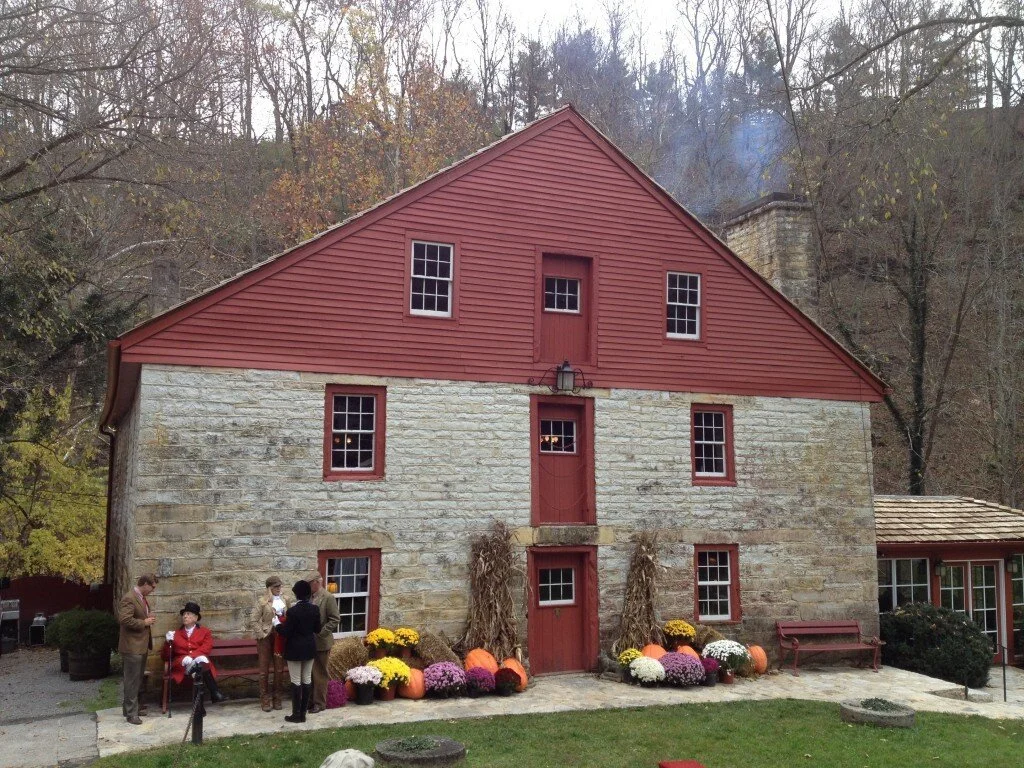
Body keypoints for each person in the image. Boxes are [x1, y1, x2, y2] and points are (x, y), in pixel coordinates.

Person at [275, 579, 320, 723]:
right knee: (306, 679)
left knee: (296, 681)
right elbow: (317, 629)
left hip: (295, 650)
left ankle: (296, 715)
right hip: (309, 648)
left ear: (297, 595)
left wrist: (276, 624)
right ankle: (303, 714)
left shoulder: (293, 611)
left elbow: (286, 632)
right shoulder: (315, 609)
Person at [164, 601, 228, 704]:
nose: (185, 616)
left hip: (199, 662)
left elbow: (206, 648)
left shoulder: (205, 632)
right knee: (192, 663)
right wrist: (168, 643)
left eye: (188, 614)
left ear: (196, 618)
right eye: (184, 614)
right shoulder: (175, 634)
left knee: (201, 661)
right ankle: (214, 693)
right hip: (181, 665)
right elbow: (166, 656)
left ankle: (201, 701)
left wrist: (193, 656)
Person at [117, 573, 158, 725]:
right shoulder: (129, 597)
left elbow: (138, 616)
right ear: (145, 584)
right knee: (131, 680)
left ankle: (131, 708)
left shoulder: (142, 598)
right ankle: (131, 713)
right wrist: (144, 622)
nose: (153, 590)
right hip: (131, 646)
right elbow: (124, 619)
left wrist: (148, 617)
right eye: (152, 587)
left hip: (140, 645)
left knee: (137, 679)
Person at [248, 575, 291, 711]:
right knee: (264, 670)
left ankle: (277, 698)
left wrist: (286, 630)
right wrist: (261, 634)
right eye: (275, 587)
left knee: (279, 669)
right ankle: (264, 699)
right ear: (269, 588)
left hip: (280, 636)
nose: (278, 589)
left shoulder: (286, 600)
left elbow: (289, 617)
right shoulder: (262, 602)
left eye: (279, 586)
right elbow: (253, 620)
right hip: (266, 637)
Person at [306, 569, 340, 714]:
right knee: (310, 673)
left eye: (309, 583)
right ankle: (310, 701)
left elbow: (335, 619)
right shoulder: (309, 597)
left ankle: (320, 703)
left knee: (320, 674)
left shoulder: (328, 597)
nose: (307, 586)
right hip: (308, 641)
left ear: (316, 582)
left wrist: (321, 632)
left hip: (322, 642)